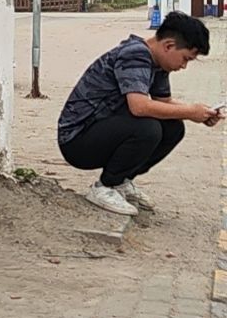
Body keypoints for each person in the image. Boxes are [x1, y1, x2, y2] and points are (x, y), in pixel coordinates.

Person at [58, 11, 220, 217]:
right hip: (77, 140)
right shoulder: (135, 54)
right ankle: (105, 187)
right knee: (148, 128)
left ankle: (122, 181)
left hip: (103, 129)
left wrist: (200, 113)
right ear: (169, 46)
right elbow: (139, 107)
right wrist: (190, 111)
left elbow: (164, 103)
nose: (184, 66)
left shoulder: (158, 63)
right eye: (185, 58)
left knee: (173, 127)